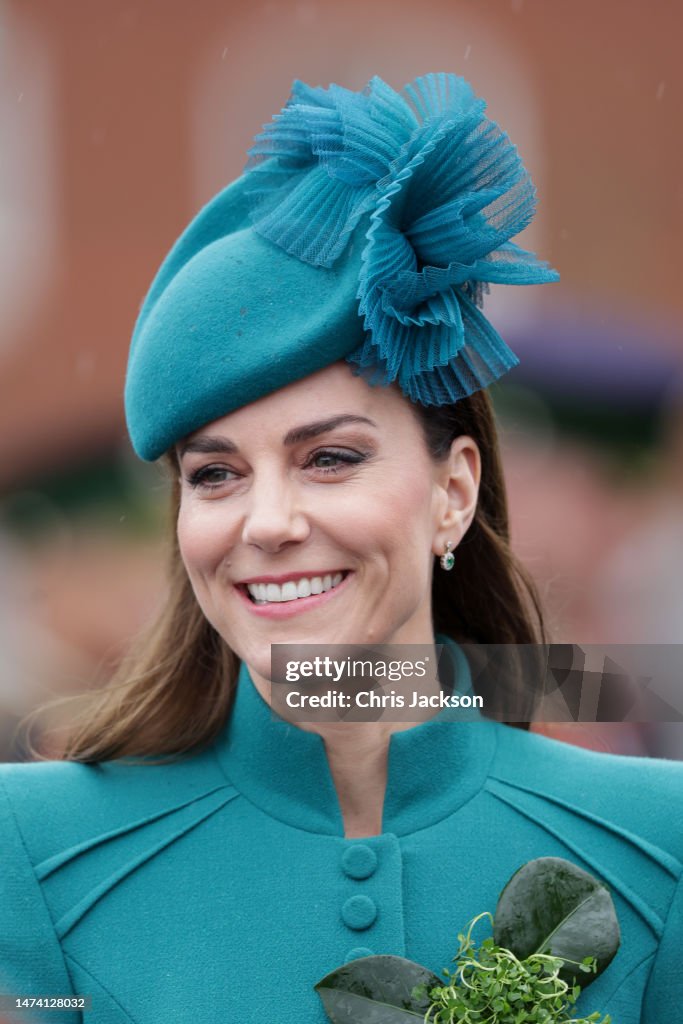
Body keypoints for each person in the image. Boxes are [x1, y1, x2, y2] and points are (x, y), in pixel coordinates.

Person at [1, 74, 681, 1024]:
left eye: (328, 458)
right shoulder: (29, 851)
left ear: (454, 493)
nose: (265, 522)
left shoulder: (661, 841)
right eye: (215, 474)